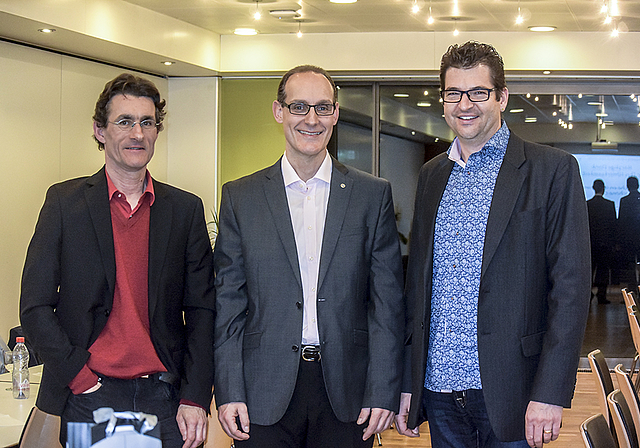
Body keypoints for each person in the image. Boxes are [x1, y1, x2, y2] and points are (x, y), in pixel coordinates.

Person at [394, 41, 591, 448]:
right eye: (454, 93)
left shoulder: (551, 170)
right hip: (440, 387)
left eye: (478, 92)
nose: (465, 104)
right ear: (443, 99)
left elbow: (570, 291)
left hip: (513, 392)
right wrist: (408, 383)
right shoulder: (432, 175)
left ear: (501, 97)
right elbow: (418, 287)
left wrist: (550, 393)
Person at [213, 65, 405, 448]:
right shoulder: (241, 197)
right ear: (278, 111)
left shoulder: (371, 195)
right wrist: (229, 388)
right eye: (299, 106)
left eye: (322, 107)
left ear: (335, 113)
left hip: (347, 392)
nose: (311, 119)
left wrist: (383, 390)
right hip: (262, 390)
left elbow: (386, 303)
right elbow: (228, 302)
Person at [20, 73, 215, 448]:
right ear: (99, 131)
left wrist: (194, 396)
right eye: (124, 121)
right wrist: (78, 375)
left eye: (147, 122)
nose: (137, 134)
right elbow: (35, 305)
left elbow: (203, 310)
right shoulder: (64, 204)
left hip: (165, 397)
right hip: (90, 394)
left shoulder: (184, 210)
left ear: (157, 131)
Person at [587, 179, 616, 304]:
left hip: (591, 243)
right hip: (605, 243)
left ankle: (588, 294)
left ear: (593, 188)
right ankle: (601, 294)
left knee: (590, 270)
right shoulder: (610, 204)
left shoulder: (587, 204)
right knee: (603, 270)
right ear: (603, 188)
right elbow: (613, 225)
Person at [617, 176, 640, 289]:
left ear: (627, 186)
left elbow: (621, 221)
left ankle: (632, 289)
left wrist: (619, 241)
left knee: (630, 266)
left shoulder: (624, 201)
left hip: (628, 239)